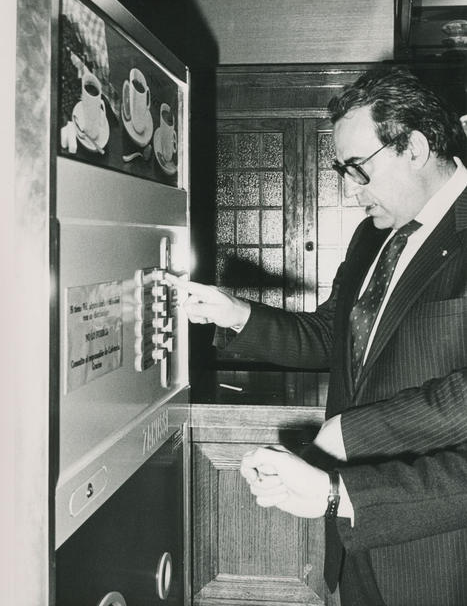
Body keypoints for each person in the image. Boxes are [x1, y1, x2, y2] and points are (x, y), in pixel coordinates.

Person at [167, 67, 467, 606]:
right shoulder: (372, 236)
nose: (351, 191)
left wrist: (351, 435)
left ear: (416, 148)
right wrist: (235, 314)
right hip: (352, 537)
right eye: (342, 171)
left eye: (358, 169)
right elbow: (332, 335)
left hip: (439, 554)